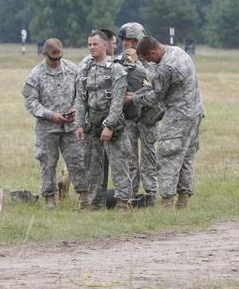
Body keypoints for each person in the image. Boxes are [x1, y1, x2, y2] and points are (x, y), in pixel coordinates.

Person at [127, 36, 203, 209]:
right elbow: (155, 87)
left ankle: (167, 202)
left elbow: (155, 96)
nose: (148, 62)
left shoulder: (166, 66)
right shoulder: (178, 51)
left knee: (167, 155)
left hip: (178, 116)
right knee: (185, 157)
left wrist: (132, 99)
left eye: (148, 58)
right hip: (195, 112)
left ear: (153, 52)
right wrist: (138, 94)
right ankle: (183, 200)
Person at [22, 38, 88, 209]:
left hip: (70, 127)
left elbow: (81, 93)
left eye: (59, 57)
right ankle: (49, 198)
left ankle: (84, 197)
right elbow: (30, 102)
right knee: (48, 163)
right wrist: (51, 115)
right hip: (47, 128)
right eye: (53, 58)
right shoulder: (35, 74)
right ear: (44, 55)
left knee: (77, 161)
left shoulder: (73, 69)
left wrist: (75, 109)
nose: (57, 61)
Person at [75, 30, 133, 210]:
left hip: (113, 125)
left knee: (119, 164)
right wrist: (79, 124)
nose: (92, 47)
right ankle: (94, 203)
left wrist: (109, 126)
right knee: (92, 167)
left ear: (105, 45)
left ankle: (123, 203)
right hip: (91, 123)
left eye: (96, 44)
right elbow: (81, 99)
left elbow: (118, 101)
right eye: (90, 44)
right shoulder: (85, 69)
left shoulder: (116, 69)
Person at [118, 22, 158, 202]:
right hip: (129, 115)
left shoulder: (151, 58)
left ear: (137, 41)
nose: (124, 44)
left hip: (148, 114)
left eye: (127, 40)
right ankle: (132, 192)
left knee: (149, 154)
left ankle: (151, 192)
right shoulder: (122, 58)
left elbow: (155, 83)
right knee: (130, 154)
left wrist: (137, 62)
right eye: (123, 40)